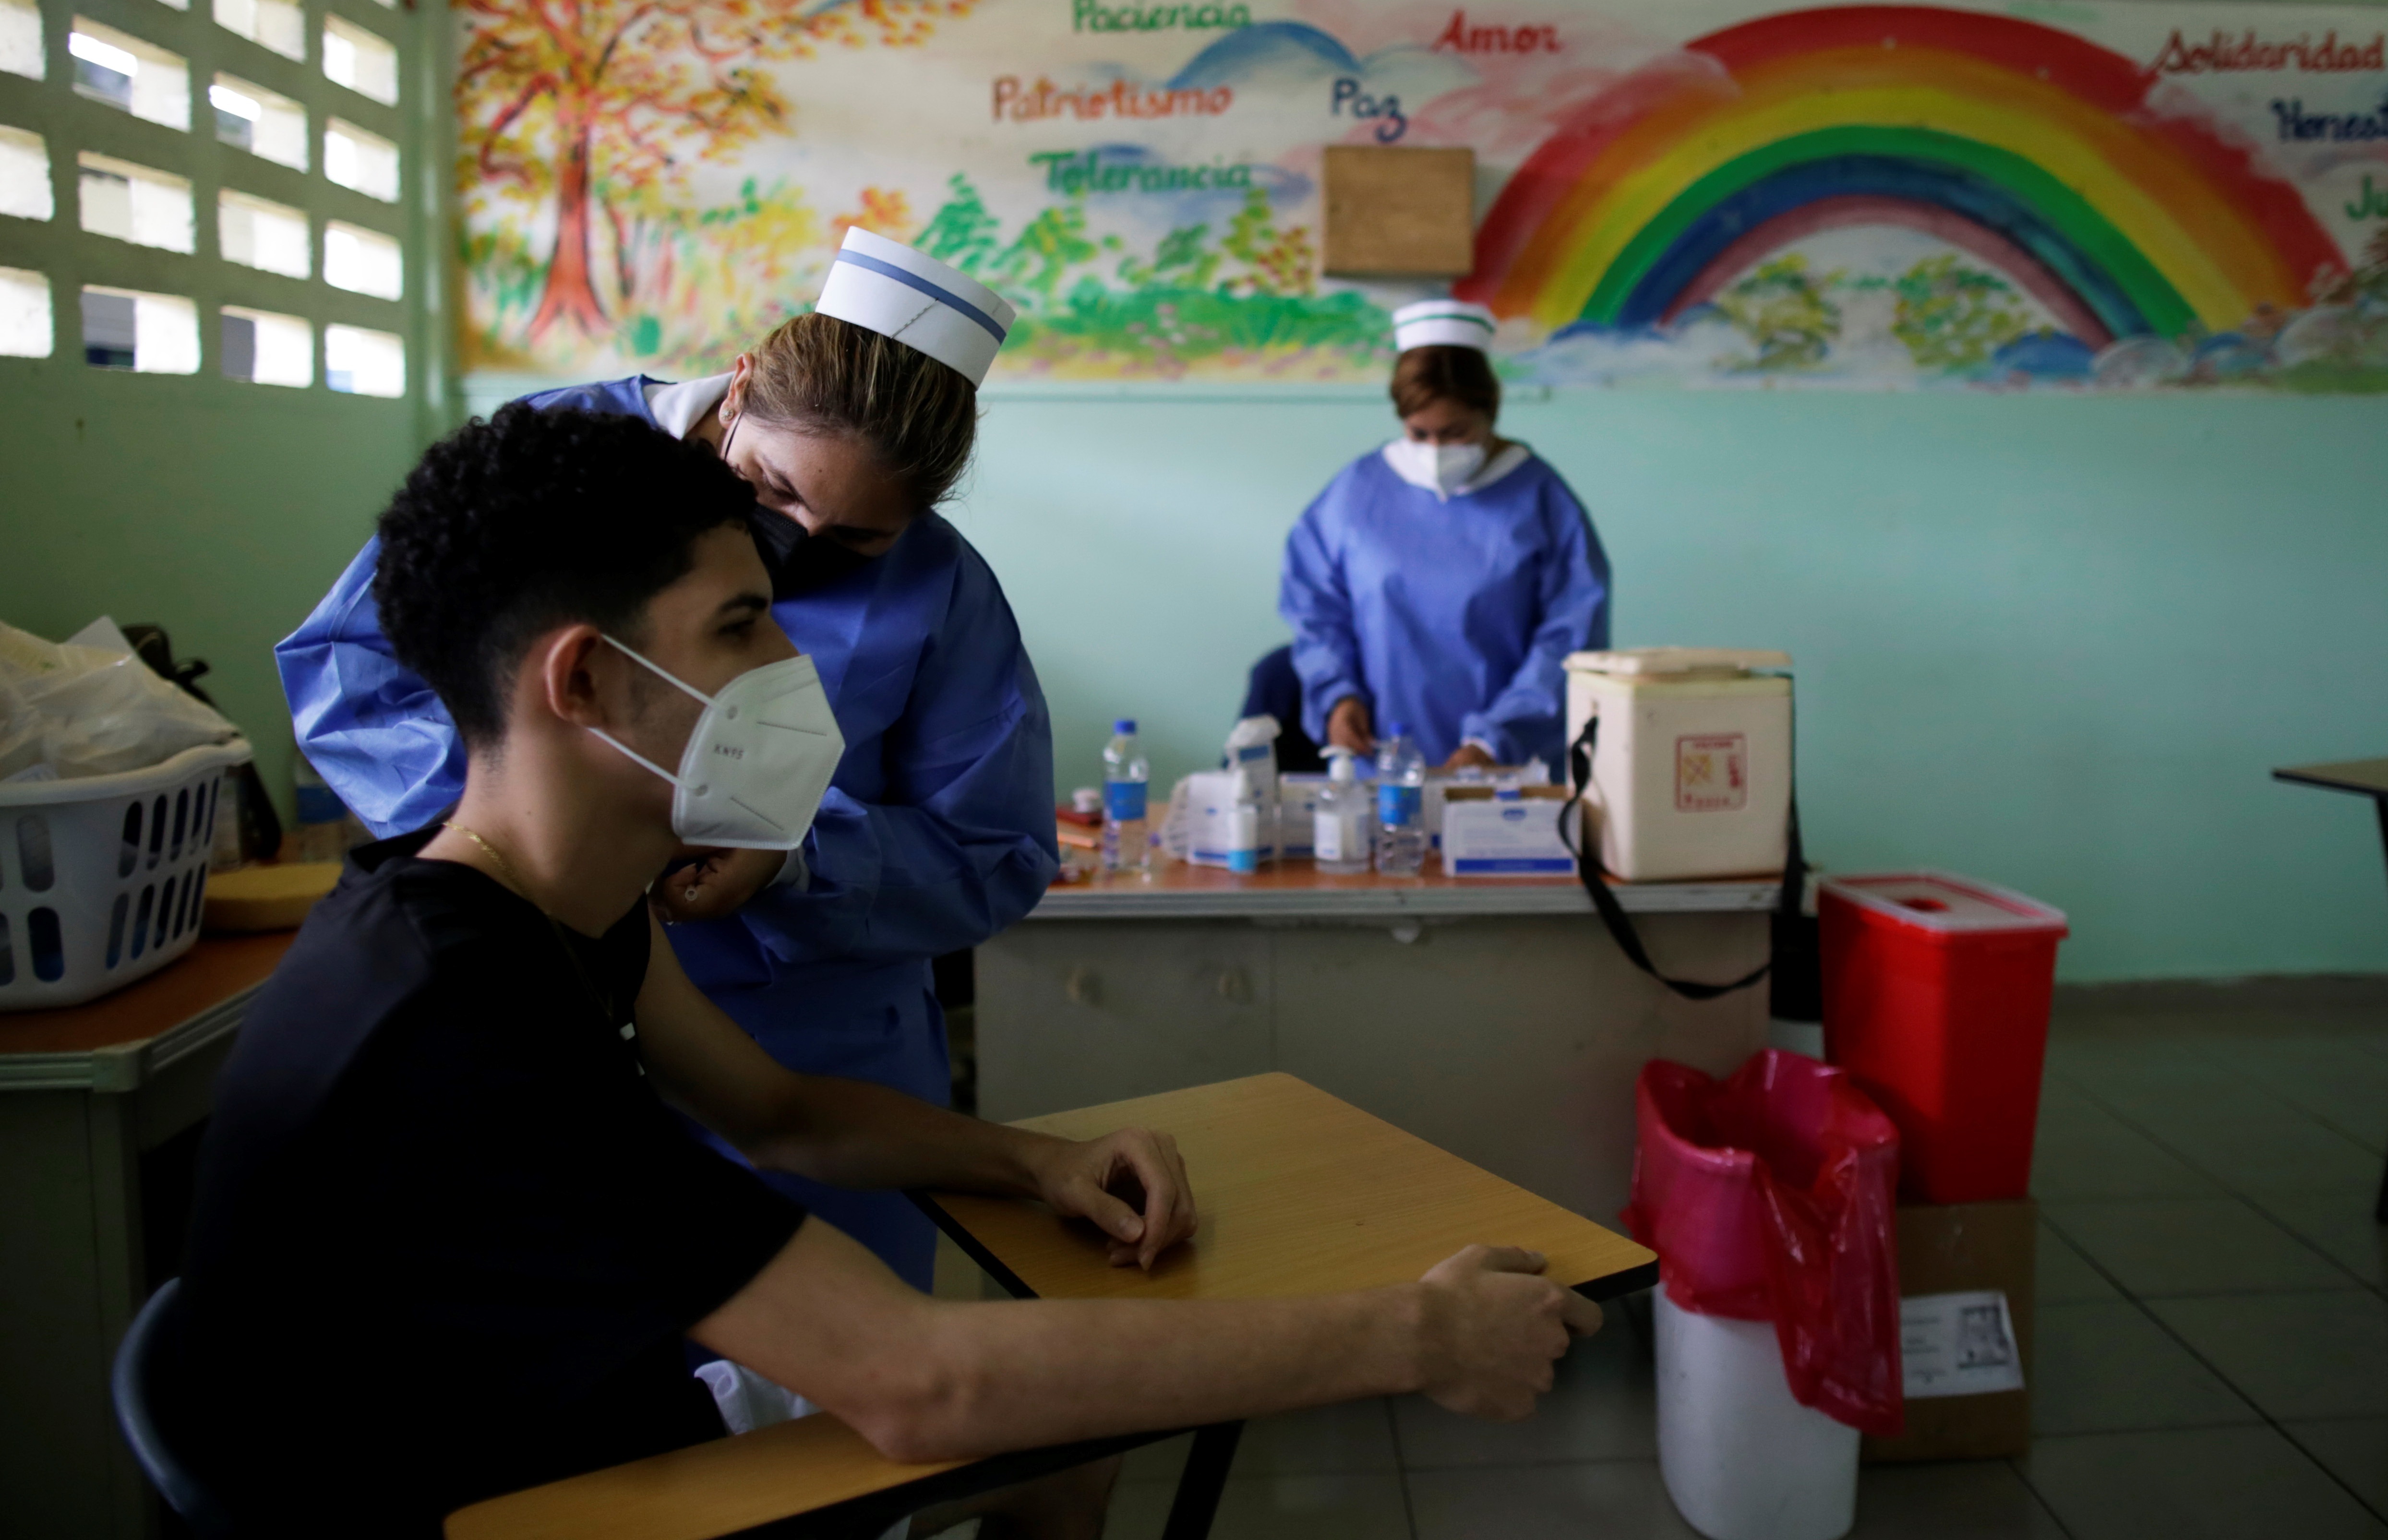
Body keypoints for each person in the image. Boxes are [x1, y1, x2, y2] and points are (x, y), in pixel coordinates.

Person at [177, 403, 1600, 1539]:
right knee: (1031, 1423)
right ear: (585, 681)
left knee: (1061, 1463)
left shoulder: (541, 905)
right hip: (495, 1498)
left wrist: (1034, 1158)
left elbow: (786, 1112)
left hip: (545, 1415)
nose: (793, 659)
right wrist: (1417, 1333)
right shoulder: (461, 1017)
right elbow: (927, 1379)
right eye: (741, 623)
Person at [276, 227, 1048, 1286]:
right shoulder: (554, 468)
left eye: (857, 543)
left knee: (824, 1424)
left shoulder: (942, 590)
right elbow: (353, 678)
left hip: (808, 1055)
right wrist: (541, 856)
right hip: (547, 1002)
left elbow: (995, 849)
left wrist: (791, 857)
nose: (798, 551)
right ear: (738, 395)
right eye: (774, 495)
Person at [1280, 300, 1612, 774]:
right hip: (1382, 761)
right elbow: (1315, 609)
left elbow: (1573, 637)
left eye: (1455, 433)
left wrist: (1497, 740)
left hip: (1508, 768)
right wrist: (1339, 697)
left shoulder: (1540, 499)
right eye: (1419, 433)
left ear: (1490, 412)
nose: (1435, 451)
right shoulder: (1356, 495)